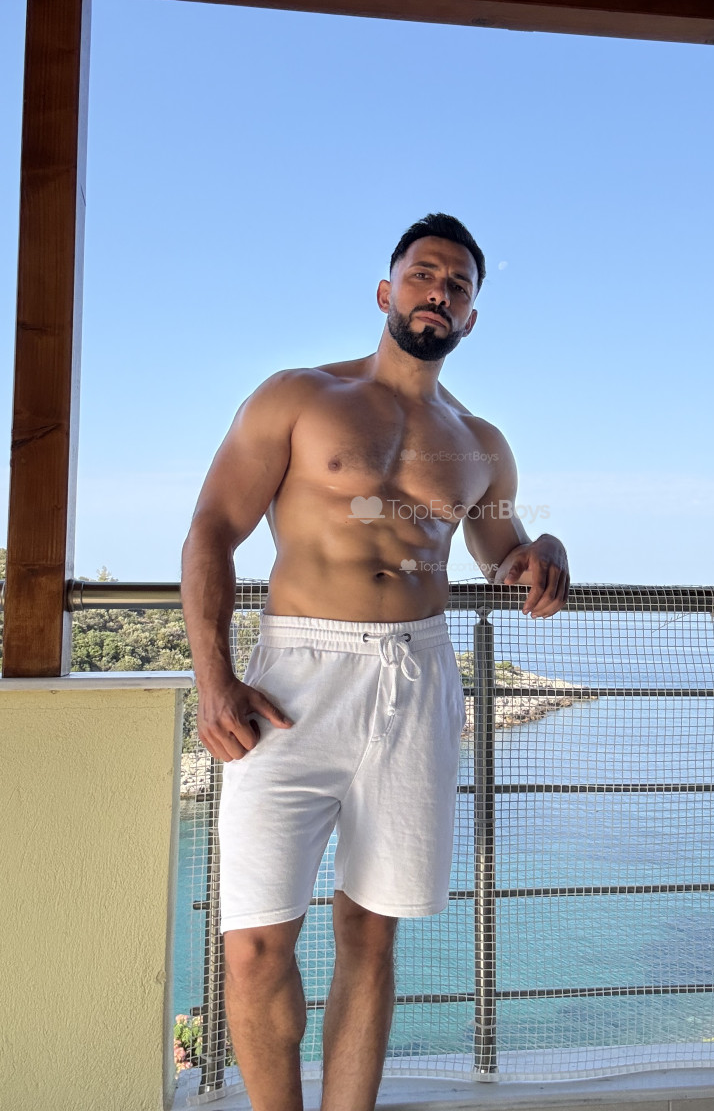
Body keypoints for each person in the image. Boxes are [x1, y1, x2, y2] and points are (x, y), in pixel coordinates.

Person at [181, 212, 569, 1111]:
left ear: (471, 317)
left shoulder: (481, 443)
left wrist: (544, 546)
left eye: (459, 285)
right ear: (386, 290)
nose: (440, 292)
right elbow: (211, 531)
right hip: (293, 681)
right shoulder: (298, 396)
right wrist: (214, 678)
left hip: (417, 679)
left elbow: (502, 554)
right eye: (425, 273)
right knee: (254, 945)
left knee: (370, 935)